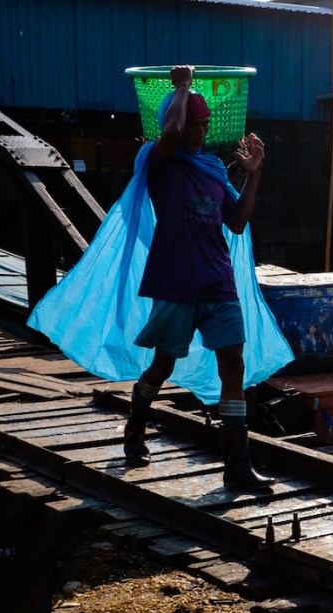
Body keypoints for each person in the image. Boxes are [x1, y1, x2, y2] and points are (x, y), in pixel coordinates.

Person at [122, 65, 274, 491]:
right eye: (196, 125)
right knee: (164, 363)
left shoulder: (211, 168)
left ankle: (237, 465)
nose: (203, 133)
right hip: (176, 282)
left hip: (218, 281)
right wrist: (182, 88)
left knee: (233, 364)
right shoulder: (159, 161)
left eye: (207, 126)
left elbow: (238, 221)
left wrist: (254, 175)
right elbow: (168, 133)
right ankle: (135, 427)